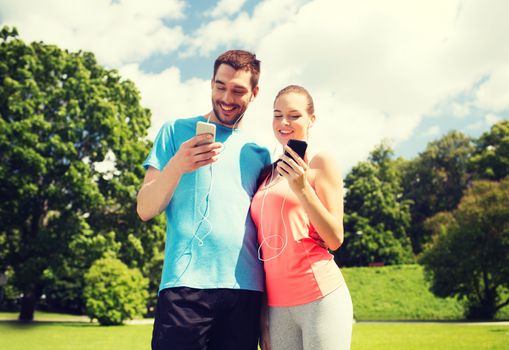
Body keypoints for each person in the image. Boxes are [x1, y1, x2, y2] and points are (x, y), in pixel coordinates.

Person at [137, 50, 271, 350]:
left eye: (238, 91)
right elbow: (145, 209)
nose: (226, 97)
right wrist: (178, 164)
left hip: (245, 290)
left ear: (255, 93)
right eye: (220, 86)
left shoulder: (259, 151)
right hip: (185, 287)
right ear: (211, 83)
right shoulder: (174, 132)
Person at [251, 85, 353, 350]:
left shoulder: (321, 163)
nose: (284, 122)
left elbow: (335, 238)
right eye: (277, 114)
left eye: (294, 115)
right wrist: (263, 320)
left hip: (320, 298)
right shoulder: (266, 174)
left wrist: (302, 187)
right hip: (276, 307)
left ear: (311, 119)